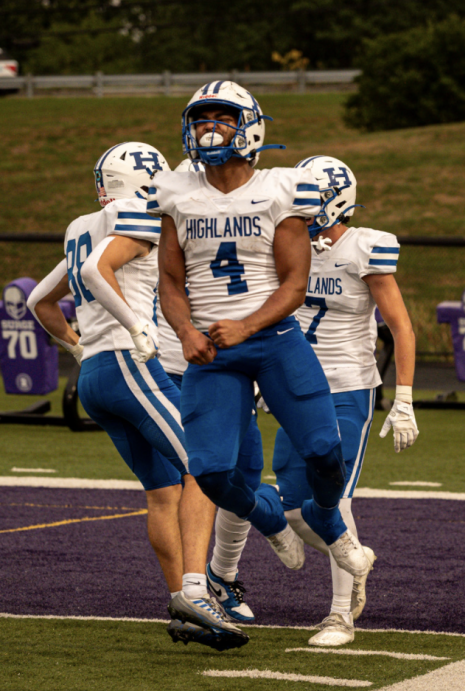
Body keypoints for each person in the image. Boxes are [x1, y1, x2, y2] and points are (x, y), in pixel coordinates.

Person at [149, 82, 375, 596]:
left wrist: (247, 325)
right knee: (209, 472)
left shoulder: (283, 187)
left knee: (322, 450)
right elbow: (170, 280)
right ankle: (269, 519)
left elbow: (295, 283)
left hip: (273, 340)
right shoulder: (175, 193)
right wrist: (184, 330)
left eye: (221, 117)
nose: (209, 126)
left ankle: (333, 531)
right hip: (212, 349)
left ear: (249, 127)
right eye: (201, 117)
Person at [28, 143, 247, 651]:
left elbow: (40, 301)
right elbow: (93, 274)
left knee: (162, 490)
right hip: (130, 363)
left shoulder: (80, 225)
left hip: (97, 378)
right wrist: (136, 328)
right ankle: (198, 589)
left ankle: (181, 603)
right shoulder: (138, 213)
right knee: (207, 466)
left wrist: (79, 352)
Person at [267, 155, 417, 646]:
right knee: (293, 510)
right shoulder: (290, 246)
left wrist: (405, 398)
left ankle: (339, 615)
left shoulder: (363, 247)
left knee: (333, 501)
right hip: (296, 385)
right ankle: (354, 557)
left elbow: (400, 325)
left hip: (347, 385)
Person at [158, 158, 262, 626]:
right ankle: (192, 587)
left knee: (245, 476)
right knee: (198, 475)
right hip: (188, 368)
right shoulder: (168, 218)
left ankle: (218, 576)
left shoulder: (245, 215)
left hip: (229, 366)